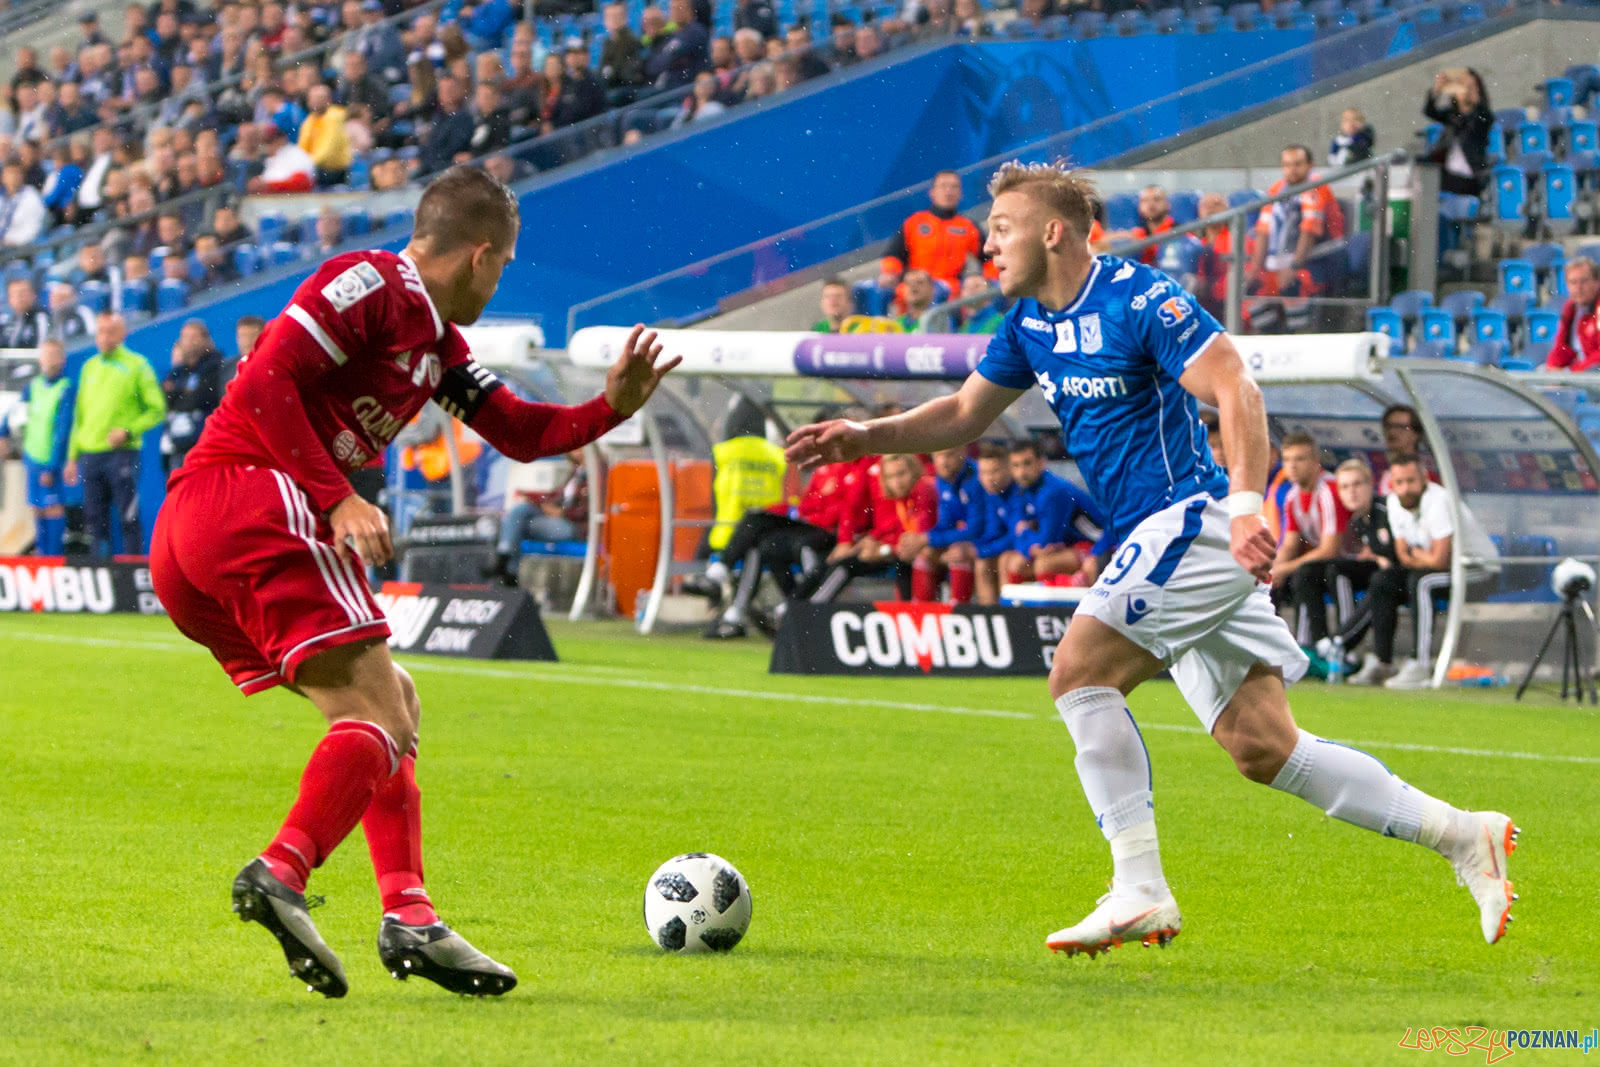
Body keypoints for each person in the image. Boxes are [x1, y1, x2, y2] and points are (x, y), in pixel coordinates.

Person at [784, 160, 1517, 957]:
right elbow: (963, 412)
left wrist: (1245, 505)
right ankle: (1462, 834)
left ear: (1053, 231)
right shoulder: (1029, 323)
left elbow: (1235, 385)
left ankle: (1140, 886)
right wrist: (866, 436)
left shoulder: (1139, 298)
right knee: (1263, 747)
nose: (986, 246)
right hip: (1157, 538)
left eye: (1001, 228)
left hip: (1193, 522)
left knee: (1078, 672)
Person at [148, 166, 681, 1000]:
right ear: (478, 255)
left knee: (390, 703)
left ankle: (411, 913)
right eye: (502, 266)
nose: (499, 280)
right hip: (252, 496)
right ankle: (284, 871)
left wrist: (611, 406)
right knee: (381, 711)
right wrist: (336, 496)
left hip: (195, 534)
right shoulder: (372, 283)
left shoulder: (435, 347)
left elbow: (523, 431)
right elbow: (262, 381)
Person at [1343, 454, 1498, 690]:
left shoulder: (1438, 500)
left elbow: (1439, 559)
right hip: (1439, 570)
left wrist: (1420, 556)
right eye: (1400, 482)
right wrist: (1422, 557)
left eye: (1411, 481)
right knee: (1382, 579)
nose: (1406, 489)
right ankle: (1382, 661)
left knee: (1422, 582)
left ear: (1424, 479)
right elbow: (1403, 555)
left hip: (1479, 570)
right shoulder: (1394, 503)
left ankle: (1420, 664)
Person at [64, 312, 166, 557]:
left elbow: (157, 409)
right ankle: (102, 571)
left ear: (123, 334)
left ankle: (130, 571)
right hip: (90, 454)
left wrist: (128, 430)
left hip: (121, 453)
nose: (104, 337)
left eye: (110, 331)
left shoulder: (137, 365)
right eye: (100, 331)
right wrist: (71, 457)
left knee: (128, 516)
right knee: (94, 520)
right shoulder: (89, 367)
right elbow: (79, 417)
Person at [793, 452, 935, 603]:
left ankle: (809, 610)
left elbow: (919, 535)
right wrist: (869, 539)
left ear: (914, 471)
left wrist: (884, 550)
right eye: (891, 477)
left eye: (901, 474)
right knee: (832, 561)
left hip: (914, 554)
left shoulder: (923, 491)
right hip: (894, 548)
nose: (897, 482)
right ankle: (798, 606)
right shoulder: (900, 497)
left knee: (845, 564)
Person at [1302, 457, 1394, 676]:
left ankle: (1340, 642)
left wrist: (1380, 558)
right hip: (1383, 574)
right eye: (1345, 487)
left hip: (1400, 574)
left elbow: (1392, 557)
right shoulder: (1356, 521)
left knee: (1380, 581)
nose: (1351, 491)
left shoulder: (1386, 509)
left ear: (1371, 485)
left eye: (1357, 484)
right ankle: (1343, 649)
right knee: (1335, 571)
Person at [1248, 145, 1344, 332]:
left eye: (1298, 164)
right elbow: (1263, 231)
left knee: (1292, 283)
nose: (1292, 169)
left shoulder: (1315, 186)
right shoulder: (1277, 189)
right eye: (1287, 165)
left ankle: (1299, 337)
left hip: (1321, 258)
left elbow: (1309, 230)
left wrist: (1293, 267)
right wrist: (1254, 269)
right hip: (1286, 258)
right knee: (1250, 286)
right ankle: (1272, 338)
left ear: (1310, 165)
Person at [1267, 430, 1349, 644]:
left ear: (1316, 462)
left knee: (1303, 575)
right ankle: (1269, 647)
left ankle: (1313, 644)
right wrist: (1272, 571)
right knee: (1268, 581)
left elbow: (1330, 550)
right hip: (1322, 564)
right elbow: (1290, 544)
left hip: (1348, 561)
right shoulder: (1292, 496)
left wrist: (1284, 568)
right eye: (1287, 460)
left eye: (1300, 459)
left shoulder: (1329, 489)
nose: (1292, 466)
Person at [0, 340, 75, 554]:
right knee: (37, 508)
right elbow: (12, 412)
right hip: (32, 458)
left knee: (52, 507)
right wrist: (3, 433)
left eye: (54, 354)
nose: (49, 359)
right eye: (46, 354)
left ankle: (54, 557)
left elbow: (63, 430)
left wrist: (52, 466)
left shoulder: (65, 388)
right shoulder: (33, 387)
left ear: (62, 359)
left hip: (49, 460)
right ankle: (42, 555)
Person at [995, 438, 1103, 586]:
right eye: (1016, 465)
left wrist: (1026, 533)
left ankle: (1054, 607)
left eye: (1027, 463)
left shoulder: (1053, 491)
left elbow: (1046, 541)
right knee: (1007, 560)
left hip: (1095, 544)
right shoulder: (1021, 490)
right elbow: (1015, 532)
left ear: (1041, 463)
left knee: (1044, 564)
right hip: (1065, 546)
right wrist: (1029, 543)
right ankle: (1012, 607)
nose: (1021, 472)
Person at [488, 450, 589, 585]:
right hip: (560, 517)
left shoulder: (595, 475)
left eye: (580, 448)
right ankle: (507, 564)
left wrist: (562, 512)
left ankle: (506, 564)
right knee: (519, 511)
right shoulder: (576, 472)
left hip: (575, 526)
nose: (576, 451)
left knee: (518, 525)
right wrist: (537, 500)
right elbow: (557, 497)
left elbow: (590, 509)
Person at [897, 444, 981, 602]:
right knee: (925, 553)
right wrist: (923, 539)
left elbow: (976, 529)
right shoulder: (942, 479)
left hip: (988, 543)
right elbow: (945, 524)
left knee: (958, 553)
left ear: (962, 451)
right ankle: (921, 613)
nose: (943, 461)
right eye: (938, 456)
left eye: (949, 455)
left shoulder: (976, 478)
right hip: (966, 542)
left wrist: (926, 538)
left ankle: (959, 612)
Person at [879, 169, 982, 295]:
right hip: (916, 287)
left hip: (951, 291)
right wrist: (891, 273)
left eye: (954, 187)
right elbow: (893, 255)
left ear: (960, 194)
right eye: (943, 186)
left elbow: (989, 258)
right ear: (932, 192)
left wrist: (987, 279)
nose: (948, 191)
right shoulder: (914, 222)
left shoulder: (968, 227)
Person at [161, 319, 225, 471]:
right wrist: (184, 396)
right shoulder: (177, 371)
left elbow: (203, 397)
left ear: (206, 339)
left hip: (206, 444)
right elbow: (165, 401)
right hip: (178, 445)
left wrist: (178, 395)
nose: (189, 342)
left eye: (193, 337)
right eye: (185, 337)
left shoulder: (216, 366)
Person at [1422, 68, 1493, 199]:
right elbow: (1429, 111)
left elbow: (1474, 122)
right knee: (1417, 167)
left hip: (1469, 178)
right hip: (1448, 173)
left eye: (1469, 87)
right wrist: (1437, 90)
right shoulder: (1453, 116)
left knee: (1429, 178)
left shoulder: (1483, 116)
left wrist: (1471, 95)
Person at [1543, 257, 1600, 373]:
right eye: (1573, 282)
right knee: (1541, 372)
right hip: (1580, 369)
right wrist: (1553, 367)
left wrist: (1571, 372)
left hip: (1592, 372)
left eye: (1584, 281)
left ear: (1597, 282)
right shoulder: (1571, 308)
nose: (1578, 288)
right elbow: (1562, 347)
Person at [2, 278, 50, 349]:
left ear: (33, 295)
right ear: (9, 298)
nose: (19, 297)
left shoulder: (41, 317)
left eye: (23, 292)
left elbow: (41, 348)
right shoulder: (5, 320)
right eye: (14, 293)